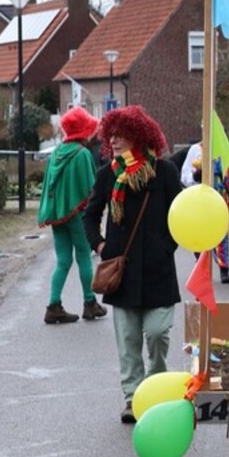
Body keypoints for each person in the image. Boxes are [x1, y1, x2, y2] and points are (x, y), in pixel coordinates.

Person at [83, 105, 183, 423]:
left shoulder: (165, 172)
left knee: (157, 334)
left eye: (121, 135)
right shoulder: (107, 174)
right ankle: (133, 398)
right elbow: (90, 216)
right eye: (110, 135)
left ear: (139, 136)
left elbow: (181, 213)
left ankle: (156, 386)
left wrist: (167, 247)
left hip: (158, 271)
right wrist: (100, 245)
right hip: (122, 274)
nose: (113, 141)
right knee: (128, 343)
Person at [37, 105, 107, 323]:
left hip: (57, 215)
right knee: (83, 256)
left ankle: (53, 305)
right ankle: (90, 303)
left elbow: (48, 186)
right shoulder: (82, 153)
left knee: (63, 260)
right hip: (78, 214)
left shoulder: (56, 153)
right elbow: (90, 187)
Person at [180, 141, 229, 283]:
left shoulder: (228, 149)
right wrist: (195, 177)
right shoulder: (196, 150)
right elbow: (185, 176)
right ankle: (201, 267)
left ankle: (224, 269)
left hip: (222, 199)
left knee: (222, 234)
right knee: (199, 234)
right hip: (200, 199)